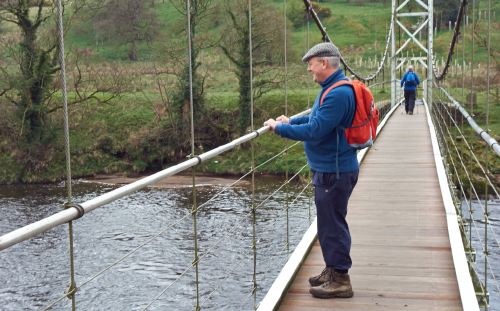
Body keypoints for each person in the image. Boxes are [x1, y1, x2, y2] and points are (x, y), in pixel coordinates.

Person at [264, 42, 359, 299]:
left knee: (332, 225)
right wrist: (291, 120)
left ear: (325, 63)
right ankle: (333, 270)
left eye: (311, 64)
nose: (309, 69)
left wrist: (279, 128)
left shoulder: (338, 93)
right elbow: (316, 119)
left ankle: (341, 280)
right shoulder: (331, 88)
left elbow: (315, 130)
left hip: (334, 171)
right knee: (329, 224)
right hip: (331, 169)